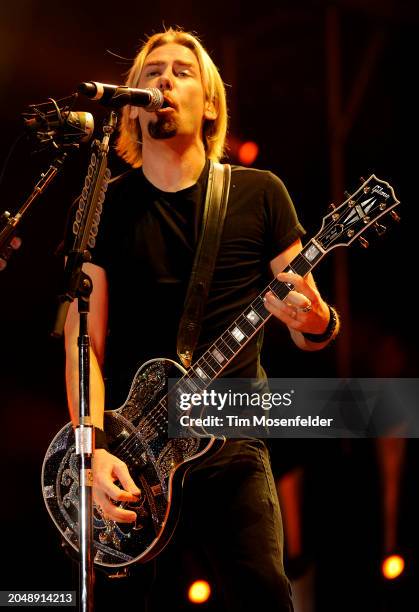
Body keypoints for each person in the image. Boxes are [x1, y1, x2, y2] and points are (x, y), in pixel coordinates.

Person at [64, 27, 339, 611]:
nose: (163, 79)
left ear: (210, 102)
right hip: (134, 457)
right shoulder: (105, 204)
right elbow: (82, 340)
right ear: (131, 108)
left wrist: (313, 317)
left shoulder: (260, 194)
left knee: (263, 595)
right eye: (150, 71)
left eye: (181, 71)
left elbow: (309, 326)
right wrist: (93, 453)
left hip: (233, 440)